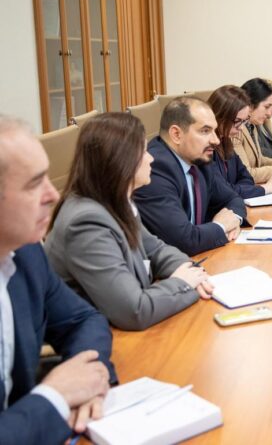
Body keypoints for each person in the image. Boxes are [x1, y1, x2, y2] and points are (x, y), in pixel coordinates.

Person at [0, 115, 115, 442]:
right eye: (34, 183)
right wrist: (55, 397)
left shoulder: (25, 253)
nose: (53, 194)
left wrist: (87, 382)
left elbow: (83, 319)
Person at [44, 113, 213, 331]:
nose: (151, 159)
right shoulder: (86, 223)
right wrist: (183, 283)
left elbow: (156, 249)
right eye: (144, 152)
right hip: (97, 339)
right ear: (121, 160)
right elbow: (134, 311)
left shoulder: (115, 200)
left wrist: (189, 271)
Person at [134, 97, 247, 256]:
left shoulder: (199, 159)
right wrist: (220, 227)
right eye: (205, 131)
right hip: (170, 266)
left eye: (214, 131)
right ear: (176, 134)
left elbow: (233, 199)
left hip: (201, 257)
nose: (216, 140)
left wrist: (233, 221)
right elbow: (184, 240)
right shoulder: (155, 168)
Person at [208, 85, 272, 197]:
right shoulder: (207, 149)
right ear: (219, 116)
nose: (241, 127)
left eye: (244, 121)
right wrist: (266, 188)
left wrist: (238, 190)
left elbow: (246, 177)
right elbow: (221, 191)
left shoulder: (226, 142)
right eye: (237, 121)